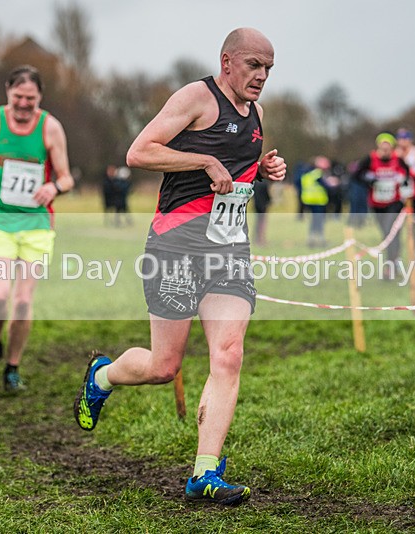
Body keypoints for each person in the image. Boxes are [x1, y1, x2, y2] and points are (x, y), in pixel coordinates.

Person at [73, 28, 286, 506]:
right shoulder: (197, 97)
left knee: (228, 354)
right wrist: (204, 160)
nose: (262, 76)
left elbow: (235, 174)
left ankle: (204, 473)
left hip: (228, 249)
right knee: (163, 366)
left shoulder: (257, 114)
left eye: (269, 68)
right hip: (175, 245)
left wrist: (262, 169)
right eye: (254, 65)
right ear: (227, 61)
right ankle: (102, 376)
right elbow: (139, 152)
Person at [0, 65, 75, 393]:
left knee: (23, 302)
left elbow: (66, 177)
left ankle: (12, 366)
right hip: (1, 220)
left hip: (37, 224)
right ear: (7, 92)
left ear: (40, 97)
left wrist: (54, 187)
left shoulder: (50, 128)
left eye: (31, 98)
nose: (24, 104)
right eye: (18, 97)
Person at [352, 132, 410, 279]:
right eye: (382, 148)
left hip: (394, 203)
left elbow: (407, 174)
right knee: (386, 234)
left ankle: (390, 267)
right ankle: (394, 261)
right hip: (377, 204)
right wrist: (369, 181)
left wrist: (403, 181)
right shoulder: (370, 159)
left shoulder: (398, 160)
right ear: (378, 146)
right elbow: (355, 175)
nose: (385, 151)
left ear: (392, 148)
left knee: (390, 231)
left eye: (387, 148)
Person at [299, 156, 331, 247]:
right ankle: (320, 240)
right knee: (319, 221)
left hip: (308, 200)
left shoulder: (306, 173)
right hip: (318, 201)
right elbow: (327, 186)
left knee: (314, 221)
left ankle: (312, 239)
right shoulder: (318, 174)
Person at [252, 179, 271, 246]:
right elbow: (267, 195)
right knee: (262, 224)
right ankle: (261, 239)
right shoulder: (264, 183)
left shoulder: (255, 183)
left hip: (257, 206)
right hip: (263, 206)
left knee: (257, 223)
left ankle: (257, 239)